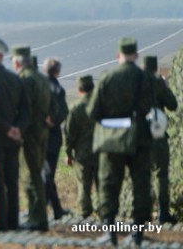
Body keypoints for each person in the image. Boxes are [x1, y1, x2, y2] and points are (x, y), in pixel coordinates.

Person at [86, 38, 154, 246]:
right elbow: (151, 105)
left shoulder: (107, 77)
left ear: (118, 55)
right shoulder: (146, 78)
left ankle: (110, 232)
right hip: (139, 138)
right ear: (136, 55)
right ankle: (138, 234)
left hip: (111, 139)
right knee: (141, 185)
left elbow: (92, 112)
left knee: (108, 185)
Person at [0, 37, 29, 231]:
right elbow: (26, 109)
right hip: (14, 138)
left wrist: (6, 128)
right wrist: (18, 128)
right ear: (1, 56)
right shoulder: (14, 78)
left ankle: (0, 221)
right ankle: (13, 221)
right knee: (12, 180)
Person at [12, 45, 51, 232]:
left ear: (17, 62)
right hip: (42, 131)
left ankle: (37, 218)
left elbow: (24, 108)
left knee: (30, 176)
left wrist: (18, 128)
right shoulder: (42, 78)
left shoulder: (25, 79)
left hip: (30, 133)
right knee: (37, 173)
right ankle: (38, 214)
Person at [143, 55, 178, 224]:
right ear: (156, 68)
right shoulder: (158, 82)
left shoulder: (135, 81)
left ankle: (143, 211)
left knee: (141, 173)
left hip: (140, 134)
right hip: (158, 132)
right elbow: (172, 104)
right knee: (161, 174)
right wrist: (166, 87)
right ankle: (163, 212)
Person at [64, 75, 98, 219]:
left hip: (82, 152)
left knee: (84, 184)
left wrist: (68, 153)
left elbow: (69, 133)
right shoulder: (101, 105)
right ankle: (105, 212)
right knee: (102, 183)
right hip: (100, 150)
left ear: (79, 89)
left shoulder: (75, 108)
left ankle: (85, 212)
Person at [43, 57, 69, 220]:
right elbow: (63, 112)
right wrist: (53, 121)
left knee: (44, 174)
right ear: (57, 72)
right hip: (52, 137)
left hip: (37, 135)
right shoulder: (58, 89)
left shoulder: (38, 84)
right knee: (48, 174)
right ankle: (48, 208)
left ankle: (56, 208)